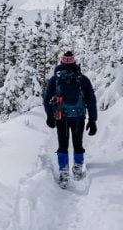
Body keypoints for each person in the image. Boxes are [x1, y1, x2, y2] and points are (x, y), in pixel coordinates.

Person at [43, 50, 97, 188]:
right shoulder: (82, 79)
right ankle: (77, 170)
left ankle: (64, 173)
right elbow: (91, 100)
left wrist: (49, 115)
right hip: (79, 116)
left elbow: (46, 99)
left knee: (63, 144)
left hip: (62, 117)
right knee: (77, 142)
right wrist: (92, 120)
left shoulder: (55, 79)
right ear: (74, 63)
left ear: (61, 63)